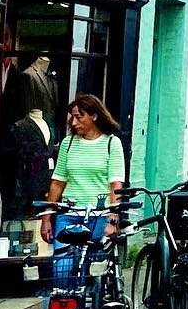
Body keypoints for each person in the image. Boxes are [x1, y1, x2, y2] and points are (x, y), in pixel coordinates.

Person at [38, 93, 125, 244]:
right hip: (69, 214)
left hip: (98, 216)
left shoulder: (112, 143)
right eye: (72, 118)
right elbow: (58, 183)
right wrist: (46, 218)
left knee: (92, 263)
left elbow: (115, 185)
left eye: (79, 117)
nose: (73, 123)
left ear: (94, 117)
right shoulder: (68, 143)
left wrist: (112, 219)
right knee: (62, 263)